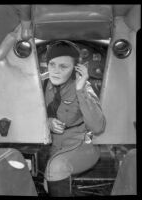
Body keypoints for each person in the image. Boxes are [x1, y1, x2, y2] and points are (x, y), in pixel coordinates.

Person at [42, 40, 106, 196]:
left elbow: (98, 127)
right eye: (52, 64)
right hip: (52, 146)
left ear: (75, 69)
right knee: (46, 184)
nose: (55, 71)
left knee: (55, 168)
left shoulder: (83, 87)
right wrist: (47, 123)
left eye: (63, 66)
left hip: (81, 145)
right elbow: (26, 113)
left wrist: (80, 89)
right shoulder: (40, 83)